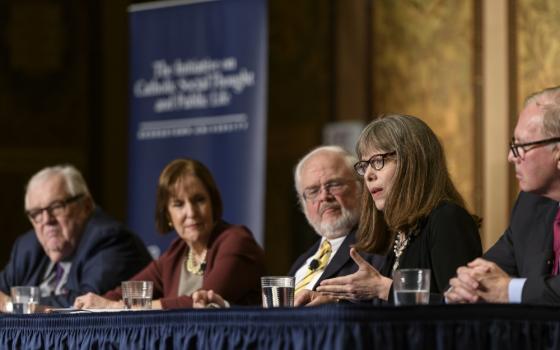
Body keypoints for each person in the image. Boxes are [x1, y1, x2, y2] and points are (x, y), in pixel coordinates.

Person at [298, 114, 482, 305]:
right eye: (365, 165)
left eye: (378, 161)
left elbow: (463, 307)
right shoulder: (402, 231)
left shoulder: (447, 219)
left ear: (412, 161)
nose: (368, 175)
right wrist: (335, 301)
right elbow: (391, 310)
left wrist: (383, 288)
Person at [193, 146, 384, 308]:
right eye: (313, 191)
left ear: (361, 187)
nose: (324, 197)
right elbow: (276, 319)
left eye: (334, 185)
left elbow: (386, 310)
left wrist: (337, 303)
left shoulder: (378, 245)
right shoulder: (305, 260)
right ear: (303, 205)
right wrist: (224, 309)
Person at [74, 158, 265, 309]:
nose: (191, 213)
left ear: (213, 203)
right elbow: (126, 292)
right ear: (167, 214)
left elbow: (202, 302)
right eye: (178, 204)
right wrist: (91, 304)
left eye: (199, 200)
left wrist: (118, 307)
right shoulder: (176, 254)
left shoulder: (236, 241)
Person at [446, 86, 560, 304]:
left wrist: (510, 291)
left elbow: (505, 288)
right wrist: (465, 284)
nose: (510, 157)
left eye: (521, 146)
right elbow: (489, 269)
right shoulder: (530, 205)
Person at [0, 165, 152, 310]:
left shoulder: (110, 239)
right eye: (36, 213)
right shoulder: (27, 247)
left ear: (85, 206)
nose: (46, 220)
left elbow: (85, 303)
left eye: (56, 207)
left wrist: (13, 305)